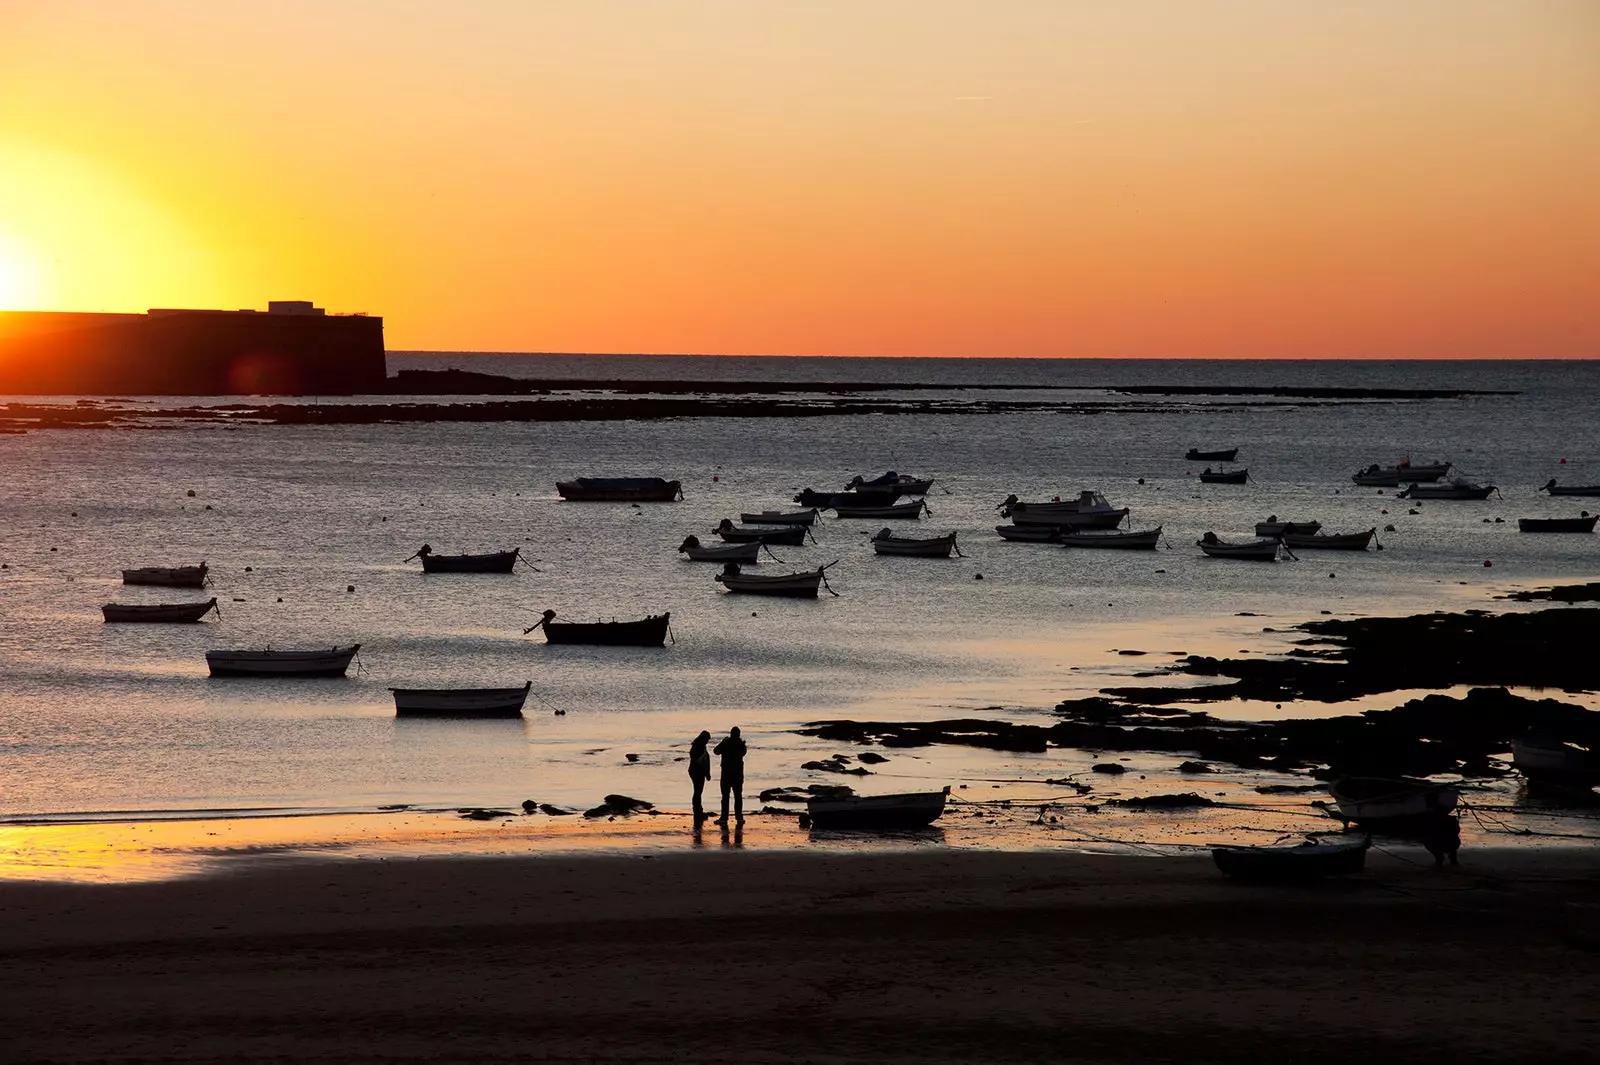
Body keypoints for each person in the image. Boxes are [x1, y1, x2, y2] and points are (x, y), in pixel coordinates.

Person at [714, 727, 747, 825]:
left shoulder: (729, 743)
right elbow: (716, 751)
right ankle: (738, 818)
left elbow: (716, 751)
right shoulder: (740, 744)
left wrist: (724, 743)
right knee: (737, 797)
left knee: (727, 797)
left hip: (728, 774)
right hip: (736, 774)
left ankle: (725, 818)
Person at [688, 730, 712, 824]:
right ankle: (697, 811)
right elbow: (701, 762)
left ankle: (698, 810)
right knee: (698, 791)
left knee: (697, 791)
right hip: (697, 772)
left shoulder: (697, 745)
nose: (707, 742)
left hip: (695, 771)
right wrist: (706, 773)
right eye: (707, 740)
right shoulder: (699, 747)